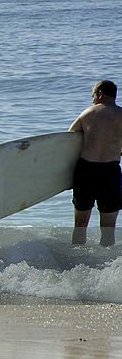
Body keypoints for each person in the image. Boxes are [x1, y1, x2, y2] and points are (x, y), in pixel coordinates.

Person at [68, 80, 122, 246]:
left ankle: (75, 262)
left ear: (100, 94)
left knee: (80, 224)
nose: (92, 100)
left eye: (93, 96)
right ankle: (106, 268)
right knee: (108, 227)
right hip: (110, 171)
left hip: (86, 170)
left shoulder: (87, 113)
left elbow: (69, 139)